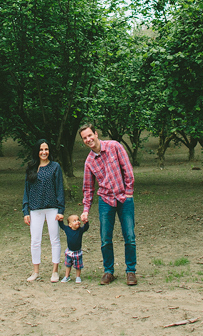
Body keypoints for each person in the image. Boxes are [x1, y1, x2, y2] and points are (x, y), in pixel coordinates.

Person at [79, 122, 137, 286]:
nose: (88, 139)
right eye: (84, 138)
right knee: (105, 238)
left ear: (96, 134)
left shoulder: (114, 146)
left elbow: (128, 169)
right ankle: (108, 271)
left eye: (90, 135)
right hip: (105, 200)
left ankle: (130, 271)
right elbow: (88, 188)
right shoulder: (89, 162)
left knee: (129, 236)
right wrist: (85, 209)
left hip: (124, 198)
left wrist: (129, 192)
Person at [22, 139, 65, 282]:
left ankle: (55, 271)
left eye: (46, 149)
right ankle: (36, 271)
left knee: (55, 239)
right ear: (37, 151)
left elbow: (59, 188)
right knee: (35, 240)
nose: (44, 152)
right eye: (41, 149)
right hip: (35, 209)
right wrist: (26, 211)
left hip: (52, 208)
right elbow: (26, 190)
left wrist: (61, 209)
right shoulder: (31, 167)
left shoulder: (55, 167)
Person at [57, 214, 90, 283]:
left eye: (78, 220)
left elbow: (86, 228)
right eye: (74, 221)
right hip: (69, 251)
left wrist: (86, 222)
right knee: (68, 265)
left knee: (78, 266)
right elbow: (62, 225)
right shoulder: (67, 229)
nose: (77, 222)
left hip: (77, 252)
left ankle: (78, 277)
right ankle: (67, 276)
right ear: (70, 224)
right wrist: (60, 220)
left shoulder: (80, 230)